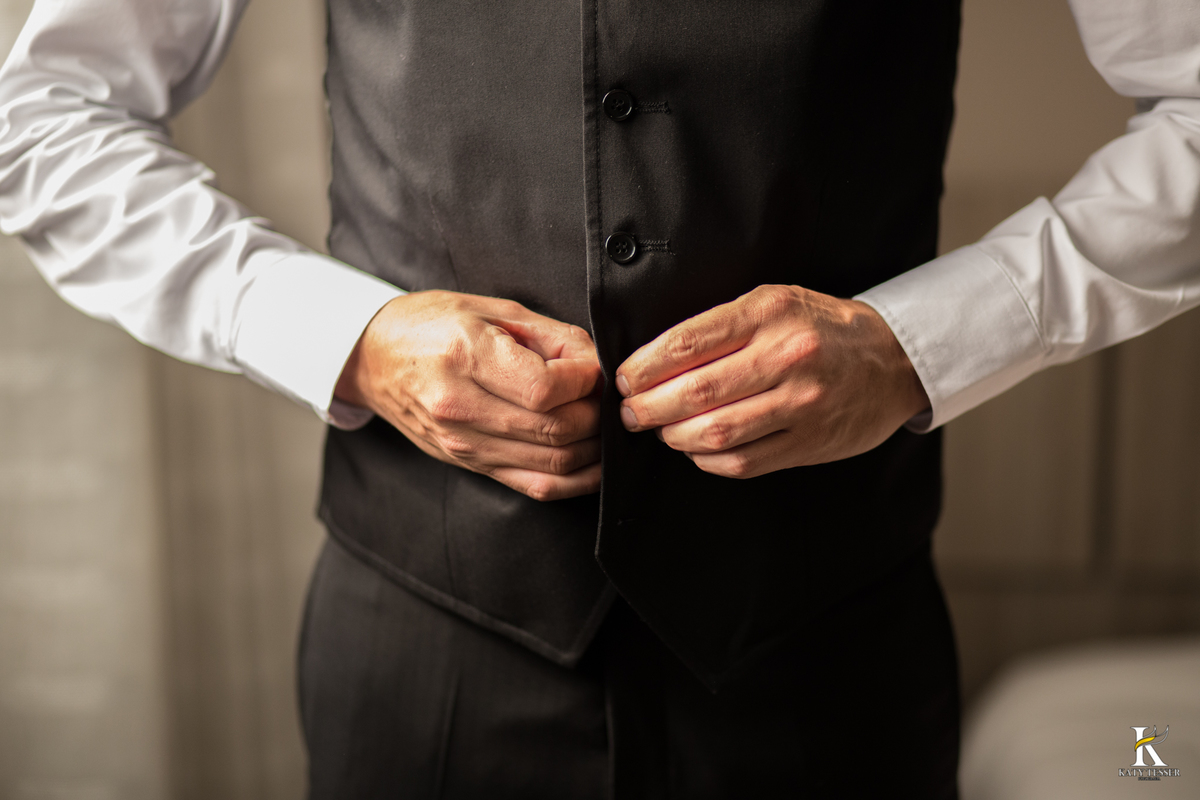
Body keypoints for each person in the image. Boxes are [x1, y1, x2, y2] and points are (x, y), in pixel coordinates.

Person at [1, 0, 1197, 796]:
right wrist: (350, 341)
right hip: (424, 653)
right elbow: (47, 116)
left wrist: (913, 345)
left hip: (828, 655)